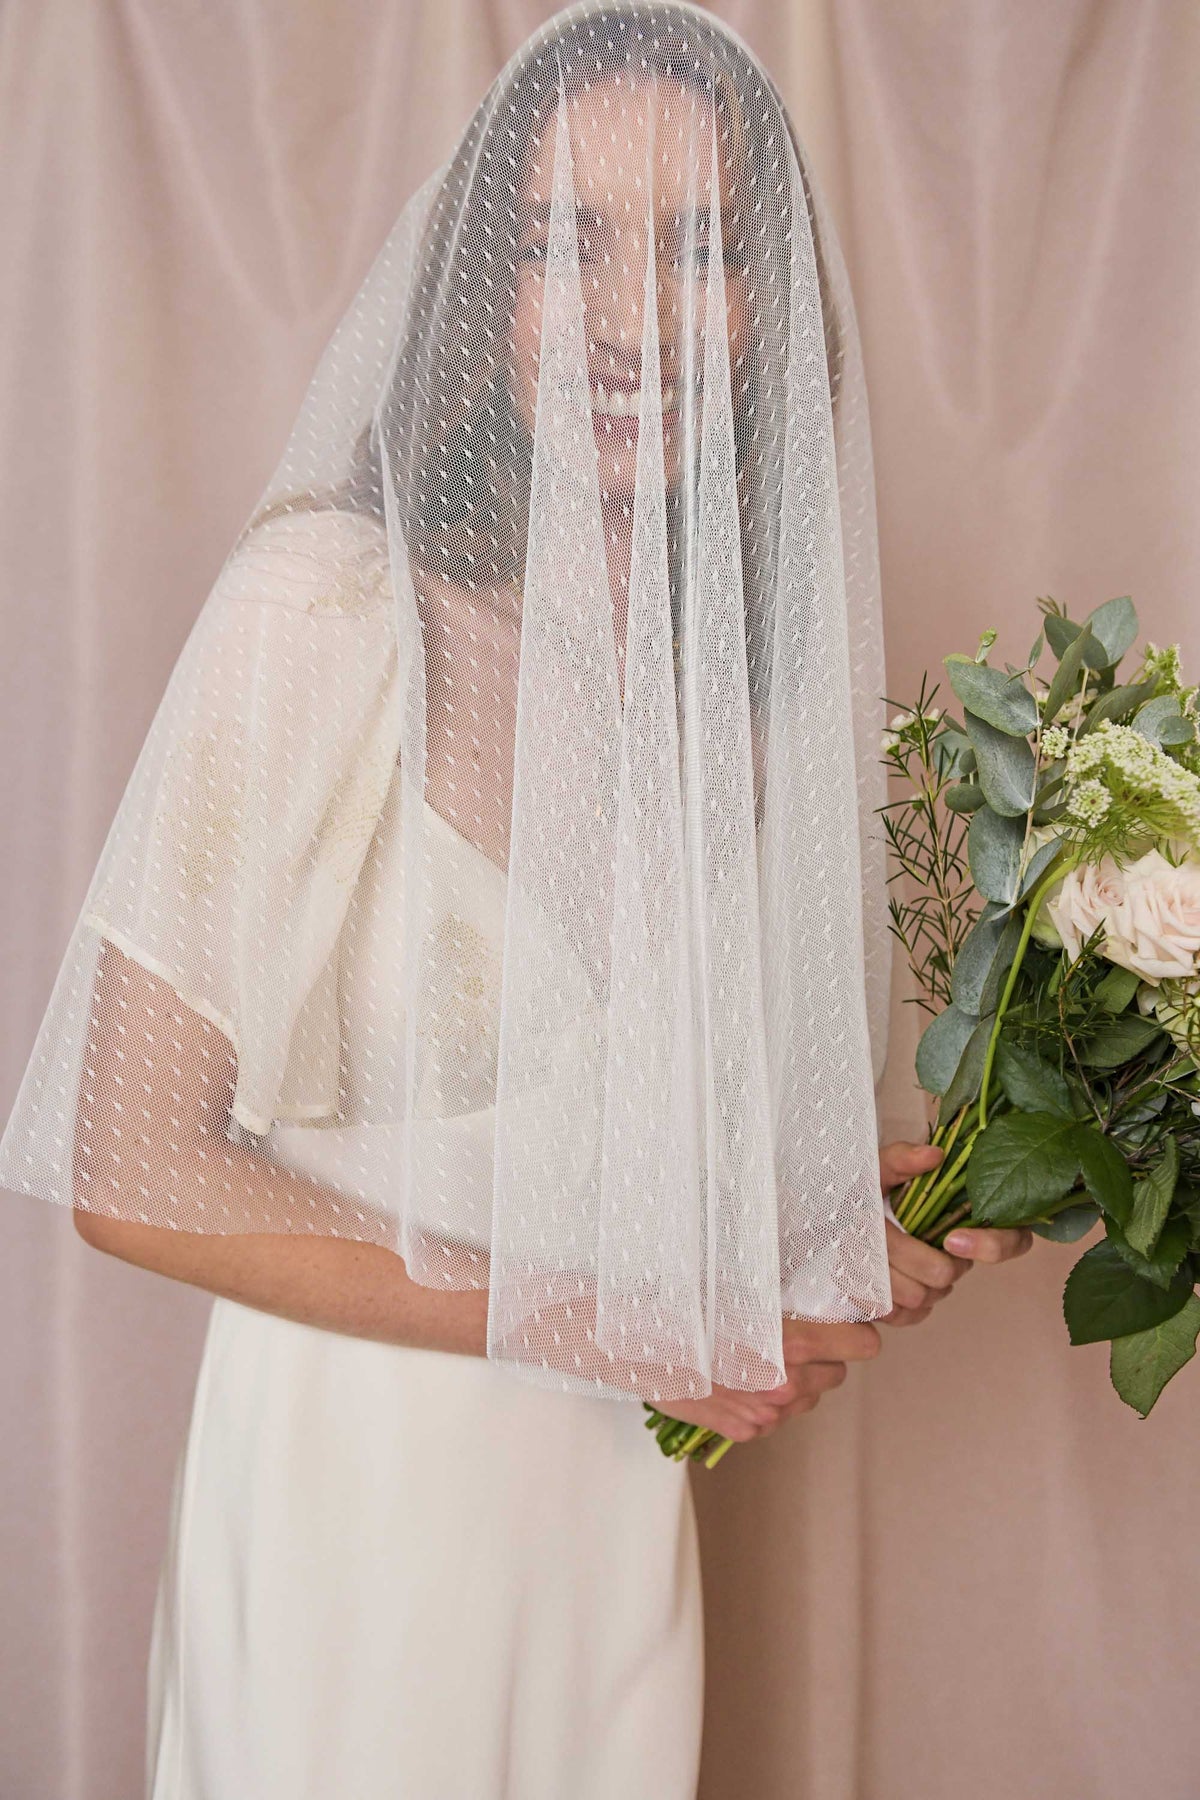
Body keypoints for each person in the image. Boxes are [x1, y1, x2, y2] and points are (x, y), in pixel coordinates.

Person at [0, 4, 1030, 1795]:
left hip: (609, 1516)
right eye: (570, 244)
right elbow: (126, 1167)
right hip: (350, 1515)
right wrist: (595, 1325)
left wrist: (865, 1219)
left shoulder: (730, 721)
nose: (637, 318)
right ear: (484, 289)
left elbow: (609, 1172)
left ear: (767, 306)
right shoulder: (326, 616)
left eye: (697, 252)